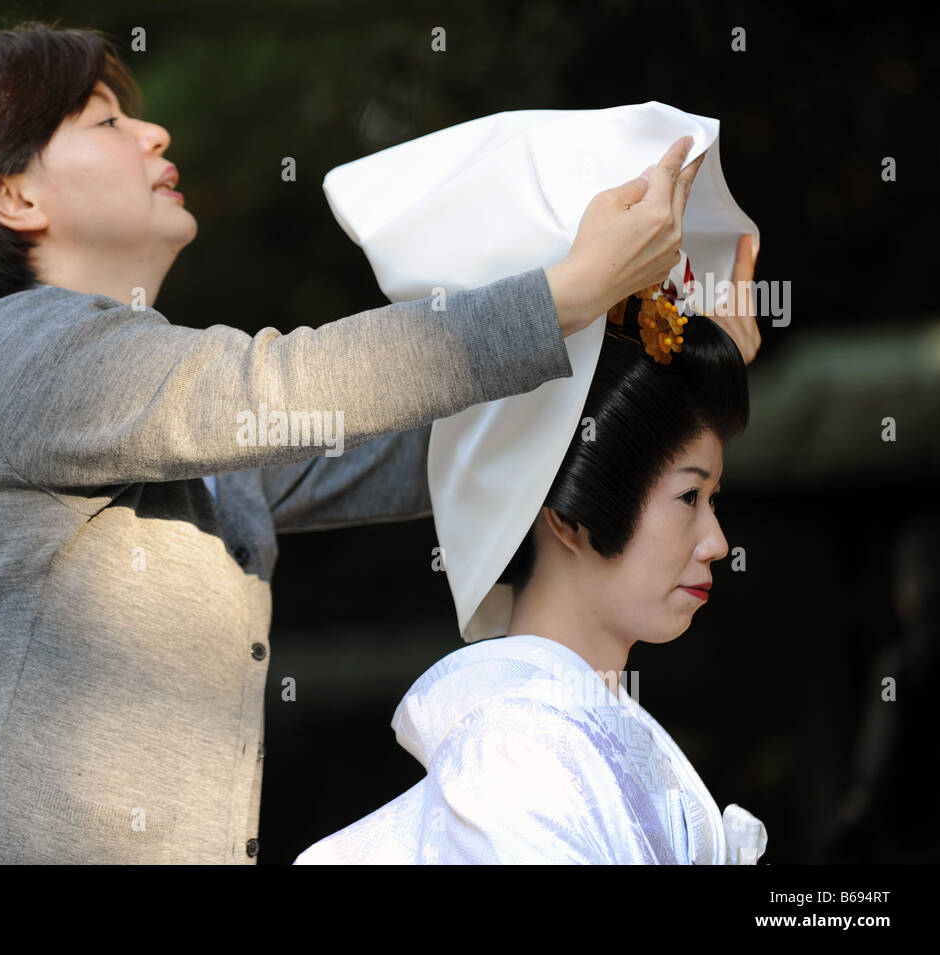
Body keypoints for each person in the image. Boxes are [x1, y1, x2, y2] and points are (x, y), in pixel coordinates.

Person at [0, 22, 708, 864]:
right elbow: (286, 387)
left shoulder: (156, 424)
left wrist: (666, 349)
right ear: (13, 194)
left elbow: (439, 453)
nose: (153, 132)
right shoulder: (7, 348)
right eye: (106, 121)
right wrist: (563, 292)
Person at [295, 270, 769, 864]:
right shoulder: (511, 753)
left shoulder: (596, 733)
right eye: (688, 498)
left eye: (713, 499)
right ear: (569, 517)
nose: (717, 542)